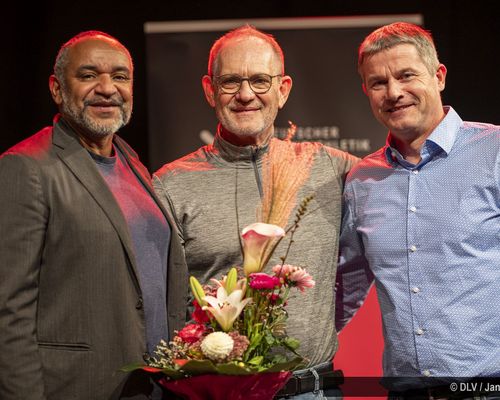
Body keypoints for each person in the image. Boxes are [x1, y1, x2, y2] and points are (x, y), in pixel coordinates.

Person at [153, 25, 358, 400]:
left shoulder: (330, 168)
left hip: (313, 392)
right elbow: (159, 303)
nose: (246, 95)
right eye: (231, 81)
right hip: (219, 393)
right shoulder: (171, 184)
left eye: (260, 81)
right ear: (209, 89)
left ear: (283, 89)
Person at [0, 31, 187, 400]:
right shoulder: (26, 168)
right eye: (88, 76)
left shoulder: (132, 162)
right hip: (77, 387)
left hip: (153, 388)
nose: (107, 88)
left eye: (120, 76)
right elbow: (9, 309)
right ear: (57, 88)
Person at [336, 21, 500, 399]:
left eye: (407, 75)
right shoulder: (362, 181)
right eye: (378, 83)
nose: (394, 92)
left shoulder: (493, 153)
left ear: (438, 76)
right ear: (366, 92)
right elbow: (343, 290)